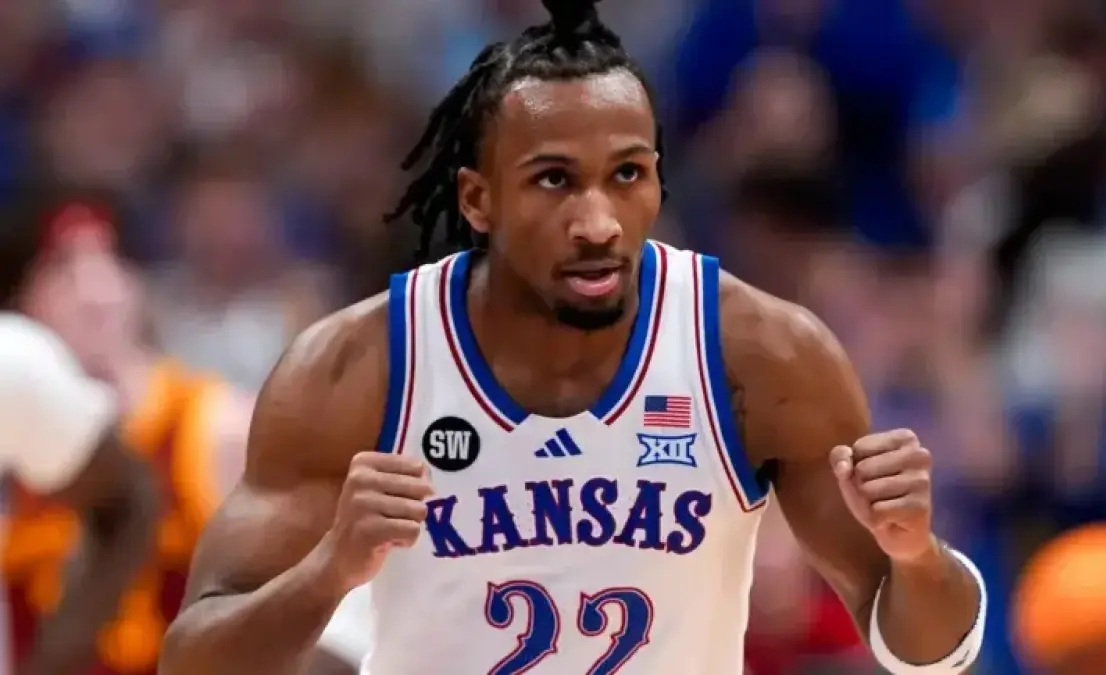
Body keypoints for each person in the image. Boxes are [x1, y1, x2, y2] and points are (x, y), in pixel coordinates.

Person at [160, 2, 988, 674]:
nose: (598, 221)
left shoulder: (759, 354)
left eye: (627, 174)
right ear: (477, 200)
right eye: (554, 179)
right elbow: (194, 661)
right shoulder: (361, 365)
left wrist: (916, 555)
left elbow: (931, 655)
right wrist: (330, 570)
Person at [1, 189, 253, 675]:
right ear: (19, 298)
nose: (94, 293)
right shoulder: (12, 417)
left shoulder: (219, 426)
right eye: (62, 270)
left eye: (110, 263)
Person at [0, 196, 160, 674]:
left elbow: (128, 502)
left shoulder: (13, 365)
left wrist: (54, 661)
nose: (93, 296)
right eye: (64, 271)